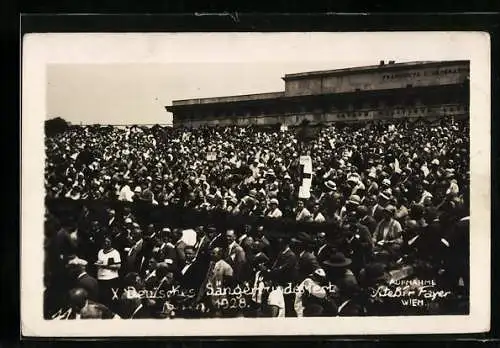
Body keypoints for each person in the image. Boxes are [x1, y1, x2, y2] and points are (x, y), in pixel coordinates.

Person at [95, 236, 121, 310]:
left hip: (111, 279)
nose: (106, 243)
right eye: (105, 242)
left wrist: (105, 266)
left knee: (110, 300)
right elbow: (100, 261)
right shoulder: (100, 252)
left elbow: (118, 266)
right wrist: (98, 264)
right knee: (102, 299)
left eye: (108, 242)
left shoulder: (115, 253)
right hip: (100, 278)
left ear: (111, 243)